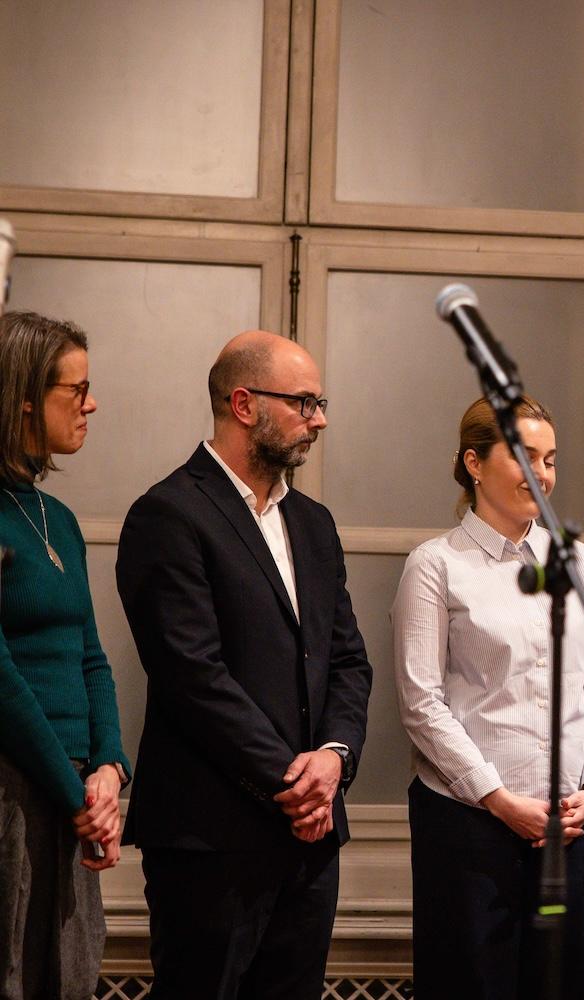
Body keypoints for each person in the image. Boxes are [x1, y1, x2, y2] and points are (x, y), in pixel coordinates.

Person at [115, 330, 373, 1000]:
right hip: (212, 836)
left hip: (310, 837)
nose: (319, 419)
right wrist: (293, 782)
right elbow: (192, 676)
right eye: (304, 402)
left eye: (320, 403)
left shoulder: (313, 523)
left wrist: (335, 758)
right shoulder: (168, 513)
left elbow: (347, 660)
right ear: (243, 403)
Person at [392, 395, 584, 1000]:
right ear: (474, 463)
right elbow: (421, 703)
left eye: (551, 459)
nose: (542, 474)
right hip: (469, 827)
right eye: (525, 456)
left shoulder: (578, 561)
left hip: (570, 829)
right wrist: (498, 799)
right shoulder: (436, 565)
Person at [0, 311, 130, 1000]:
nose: (92, 404)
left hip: (72, 788)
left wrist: (109, 768)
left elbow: (91, 656)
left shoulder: (60, 519)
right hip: (15, 789)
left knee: (69, 978)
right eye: (76, 389)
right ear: (24, 397)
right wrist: (73, 790)